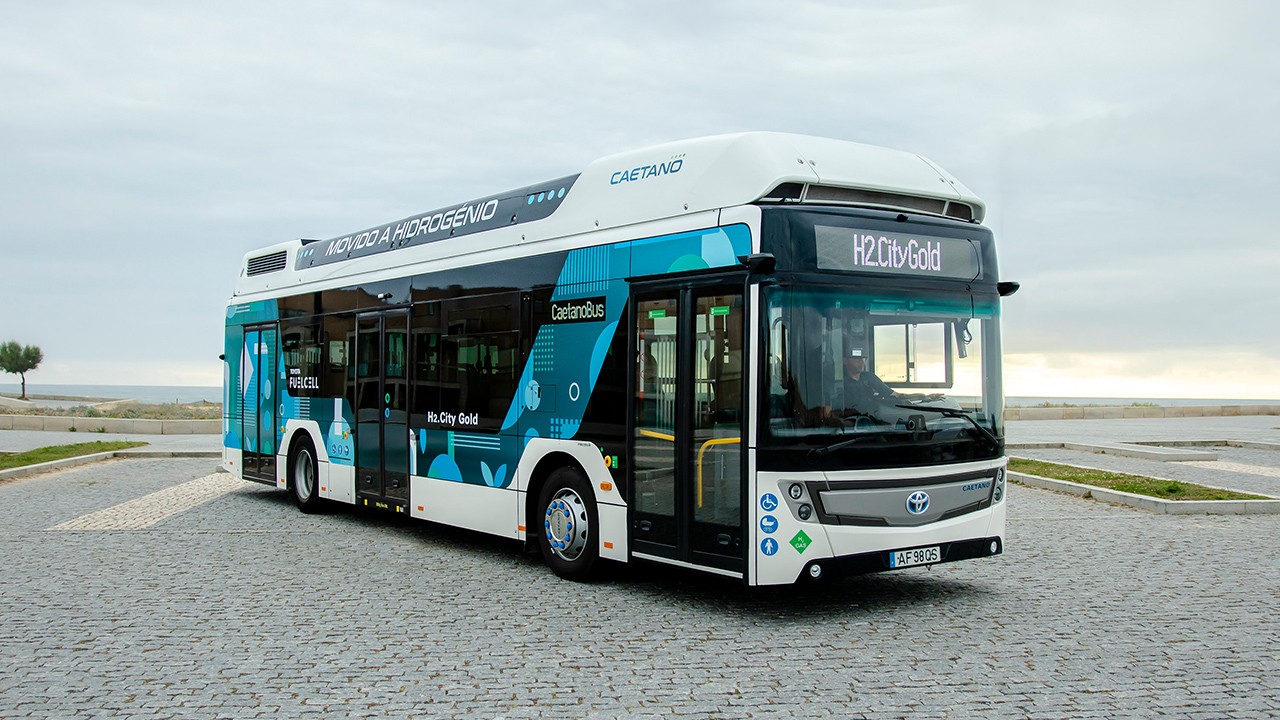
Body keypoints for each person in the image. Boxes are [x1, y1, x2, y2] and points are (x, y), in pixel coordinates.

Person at [839, 349, 898, 416]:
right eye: (857, 359)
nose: (862, 362)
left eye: (863, 359)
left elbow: (890, 393)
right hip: (850, 421)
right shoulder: (841, 382)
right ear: (845, 361)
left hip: (871, 418)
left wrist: (908, 397)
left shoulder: (869, 377)